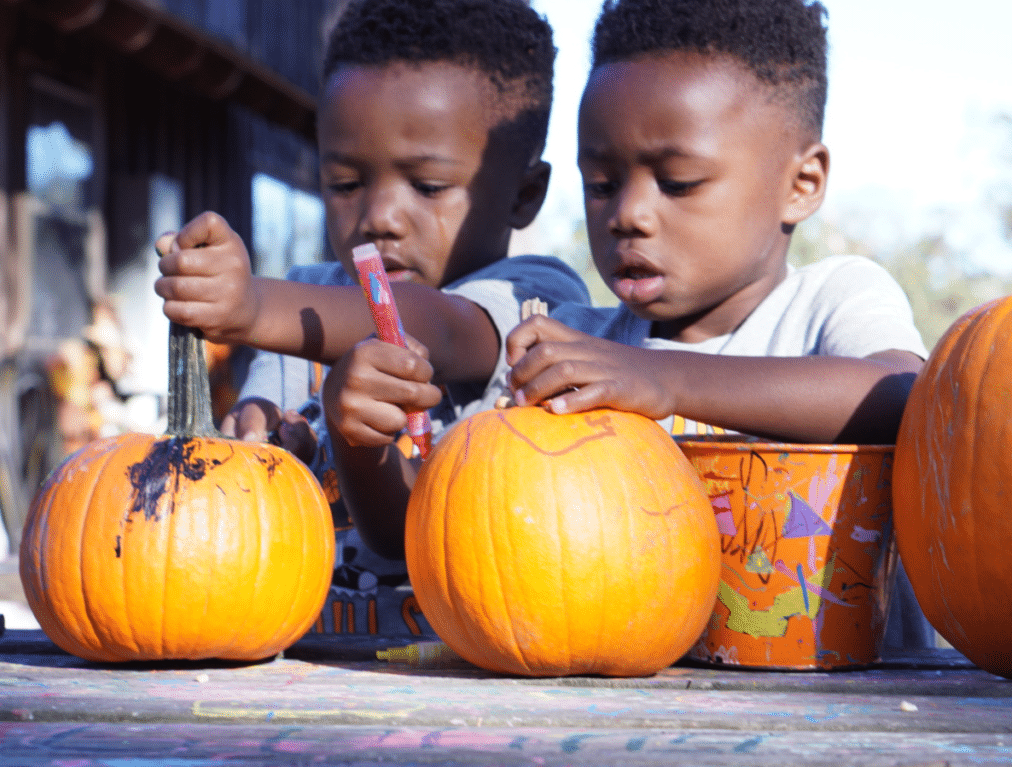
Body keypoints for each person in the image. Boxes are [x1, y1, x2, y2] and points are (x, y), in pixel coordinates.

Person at [503, 0, 934, 648]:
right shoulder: (575, 343)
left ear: (802, 183)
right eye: (601, 183)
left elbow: (904, 394)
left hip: (855, 723)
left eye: (676, 182)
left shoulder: (831, 300)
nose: (629, 213)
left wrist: (664, 377)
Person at [154, 0, 589, 637]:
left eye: (429, 187)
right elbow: (258, 440)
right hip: (306, 670)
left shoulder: (535, 298)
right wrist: (260, 443)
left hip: (468, 676)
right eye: (347, 182)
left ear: (524, 195)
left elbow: (432, 326)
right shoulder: (300, 299)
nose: (380, 215)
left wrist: (249, 307)